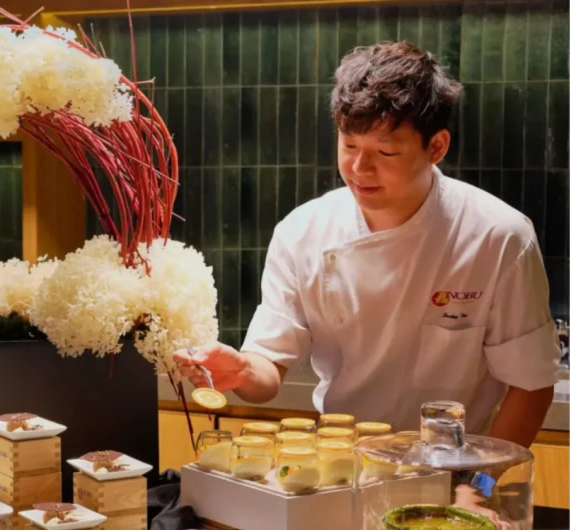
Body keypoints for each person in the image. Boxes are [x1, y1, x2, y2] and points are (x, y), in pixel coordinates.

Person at [174, 41, 559, 448]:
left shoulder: (498, 237)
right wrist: (241, 372)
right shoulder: (302, 233)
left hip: (454, 478)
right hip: (342, 466)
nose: (360, 169)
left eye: (385, 151)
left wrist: (479, 487)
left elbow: (532, 387)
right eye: (349, 145)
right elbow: (268, 367)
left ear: (437, 147)